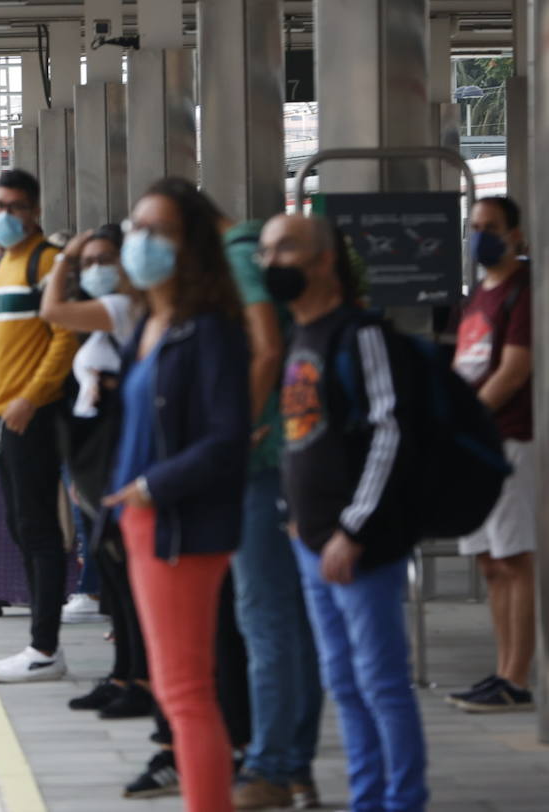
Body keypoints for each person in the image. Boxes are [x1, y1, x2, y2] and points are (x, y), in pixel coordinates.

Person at [260, 213, 427, 812]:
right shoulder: (300, 336)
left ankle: (402, 801)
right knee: (346, 685)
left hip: (360, 545)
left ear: (325, 260)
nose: (271, 261)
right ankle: (367, 798)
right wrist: (293, 513)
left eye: (287, 249)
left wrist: (352, 528)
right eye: (267, 251)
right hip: (312, 541)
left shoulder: (362, 335)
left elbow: (392, 432)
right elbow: (305, 437)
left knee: (381, 684)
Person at [98, 178, 251, 812]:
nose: (139, 241)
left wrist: (148, 486)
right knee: (175, 684)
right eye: (136, 227)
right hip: (143, 521)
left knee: (185, 690)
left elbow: (226, 439)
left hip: (179, 522)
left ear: (189, 245)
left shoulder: (209, 328)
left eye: (156, 230)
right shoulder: (150, 323)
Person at [218, 211, 324, 809]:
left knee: (266, 621)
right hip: (287, 473)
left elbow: (262, 345)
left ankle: (273, 766)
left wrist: (234, 431)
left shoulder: (230, 257)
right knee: (290, 625)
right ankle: (292, 763)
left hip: (263, 475)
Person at [40, 224, 154, 719]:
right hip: (94, 457)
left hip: (114, 457)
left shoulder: (124, 308)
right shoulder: (110, 316)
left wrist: (64, 257)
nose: (94, 269)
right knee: (115, 579)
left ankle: (140, 679)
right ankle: (124, 673)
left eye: (103, 259)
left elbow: (51, 309)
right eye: (88, 262)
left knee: (127, 579)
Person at [0, 169, 79, 683]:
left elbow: (64, 338)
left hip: (32, 417)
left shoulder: (47, 262)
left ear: (35, 211)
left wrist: (30, 399)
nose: (4, 215)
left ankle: (45, 647)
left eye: (14, 206)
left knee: (36, 527)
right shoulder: (2, 267)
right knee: (19, 525)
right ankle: (42, 644)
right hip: (1, 416)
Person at [449, 195, 536, 712]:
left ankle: (516, 676)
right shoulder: (477, 295)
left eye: (492, 227)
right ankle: (500, 669)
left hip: (507, 438)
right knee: (488, 561)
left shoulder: (522, 293)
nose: (481, 235)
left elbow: (513, 369)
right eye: (475, 225)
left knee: (514, 559)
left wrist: (468, 421)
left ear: (515, 236)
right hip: (476, 443)